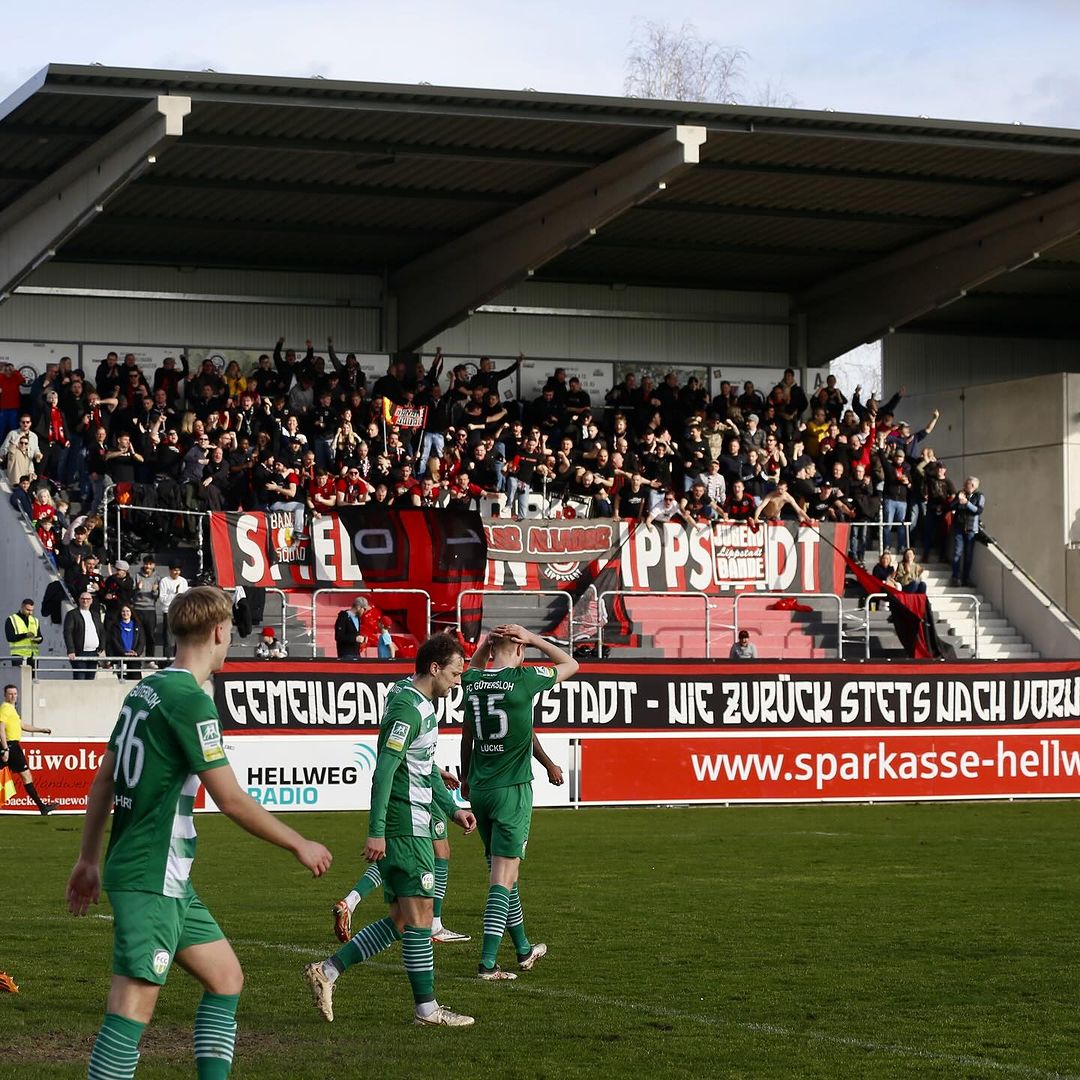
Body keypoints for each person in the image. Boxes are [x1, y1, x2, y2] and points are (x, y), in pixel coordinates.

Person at [66, 586, 333, 1080]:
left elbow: (104, 777)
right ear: (217, 631)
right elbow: (229, 798)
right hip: (153, 874)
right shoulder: (190, 701)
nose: (229, 641)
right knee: (132, 1006)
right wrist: (299, 842)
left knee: (226, 977)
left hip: (164, 877)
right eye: (230, 632)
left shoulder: (145, 690)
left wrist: (88, 859)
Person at [305, 633, 478, 1028]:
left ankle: (327, 971)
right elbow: (384, 772)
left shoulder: (410, 694)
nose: (457, 682)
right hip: (408, 826)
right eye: (454, 674)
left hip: (415, 818)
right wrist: (376, 831)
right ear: (434, 668)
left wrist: (452, 810)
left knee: (401, 919)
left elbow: (420, 766)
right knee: (421, 917)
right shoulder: (409, 709)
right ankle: (427, 1010)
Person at [460, 624, 577, 980]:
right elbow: (571, 664)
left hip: (480, 789)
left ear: (492, 650)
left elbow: (473, 674)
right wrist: (535, 637)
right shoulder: (526, 680)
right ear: (522, 651)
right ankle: (488, 963)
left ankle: (523, 949)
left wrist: (465, 776)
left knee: (504, 873)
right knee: (503, 877)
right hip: (512, 790)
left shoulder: (473, 682)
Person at [0, 683, 56, 814]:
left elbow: (23, 725)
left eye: (15, 693)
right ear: (5, 695)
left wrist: (41, 729)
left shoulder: (12, 709)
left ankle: (42, 807)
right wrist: (5, 749)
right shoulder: (5, 708)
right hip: (10, 746)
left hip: (11, 746)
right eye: (10, 694)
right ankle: (42, 807)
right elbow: (1, 728)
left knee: (24, 777)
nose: (13, 696)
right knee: (26, 777)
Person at [950, 476, 986, 587]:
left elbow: (978, 510)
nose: (965, 486)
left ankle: (966, 578)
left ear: (973, 486)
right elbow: (951, 506)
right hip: (959, 527)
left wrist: (966, 503)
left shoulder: (979, 496)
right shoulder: (961, 493)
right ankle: (955, 577)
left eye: (967, 484)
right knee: (957, 552)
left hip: (971, 529)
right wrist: (957, 500)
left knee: (968, 555)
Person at [64, 591, 106, 680]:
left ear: (91, 601)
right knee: (80, 678)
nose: (85, 601)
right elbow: (67, 632)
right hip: (79, 653)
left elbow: (101, 632)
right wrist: (71, 650)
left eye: (88, 599)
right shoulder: (72, 614)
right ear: (79, 600)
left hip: (94, 653)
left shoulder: (95, 615)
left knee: (90, 679)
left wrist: (101, 647)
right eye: (83, 599)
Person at [105, 604, 148, 679]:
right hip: (121, 659)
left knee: (135, 681)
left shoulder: (137, 626)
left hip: (134, 659)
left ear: (131, 613)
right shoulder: (115, 626)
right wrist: (123, 652)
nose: (125, 613)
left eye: (127, 611)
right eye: (123, 611)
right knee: (122, 681)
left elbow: (141, 641)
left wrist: (136, 652)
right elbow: (114, 641)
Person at [158, 564, 189, 657]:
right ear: (170, 570)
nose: (177, 572)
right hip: (169, 612)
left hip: (181, 612)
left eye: (178, 570)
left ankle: (179, 659)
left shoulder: (183, 581)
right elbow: (162, 599)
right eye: (175, 570)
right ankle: (167, 661)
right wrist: (174, 594)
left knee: (180, 638)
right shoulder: (164, 581)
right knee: (169, 639)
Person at [333, 595, 378, 660]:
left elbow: (355, 633)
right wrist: (355, 638)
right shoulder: (344, 617)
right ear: (358, 607)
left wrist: (362, 639)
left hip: (356, 653)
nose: (365, 611)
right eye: (364, 609)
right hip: (346, 654)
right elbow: (338, 637)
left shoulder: (358, 618)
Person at [5, 597, 43, 670]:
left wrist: (38, 639)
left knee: (32, 679)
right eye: (28, 610)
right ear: (22, 607)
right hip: (19, 656)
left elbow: (40, 636)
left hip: (33, 656)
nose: (30, 613)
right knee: (20, 679)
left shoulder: (35, 620)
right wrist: (25, 635)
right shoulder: (12, 619)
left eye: (32, 610)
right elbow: (10, 638)